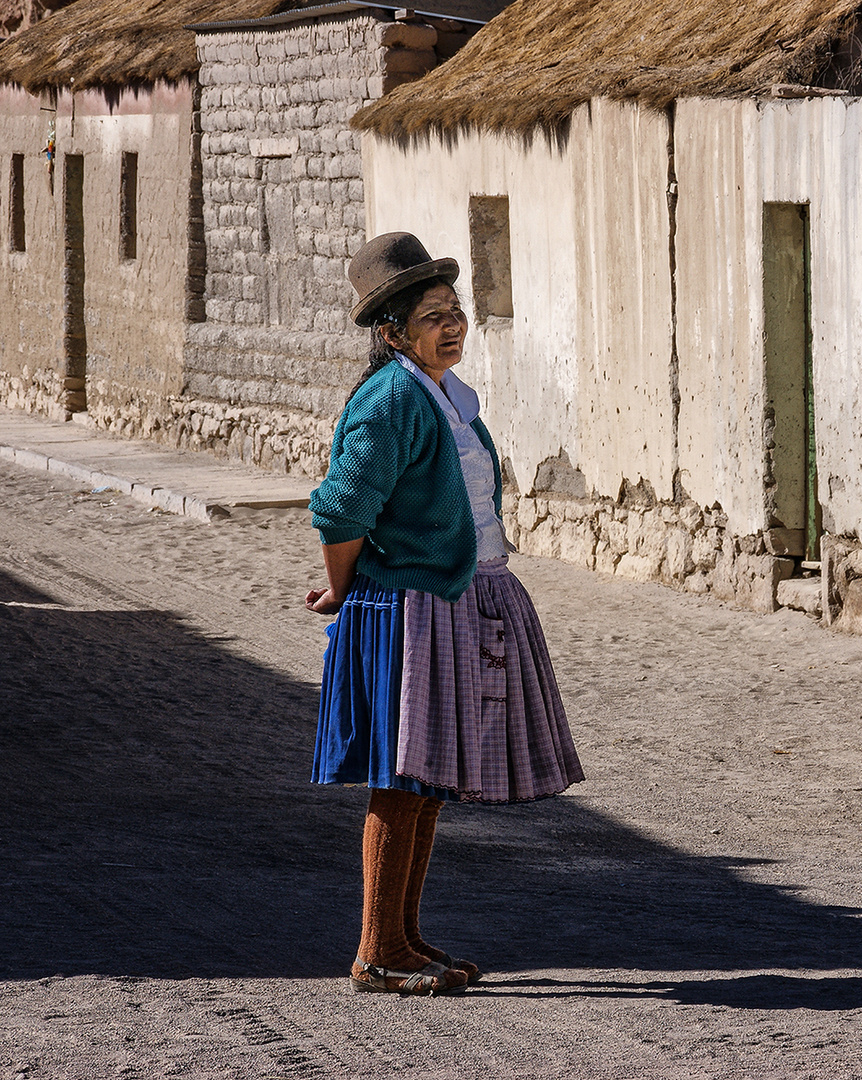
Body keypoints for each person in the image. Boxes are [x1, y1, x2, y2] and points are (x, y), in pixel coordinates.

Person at [305, 232, 584, 996]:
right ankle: (374, 953)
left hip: (448, 602)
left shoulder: (443, 397)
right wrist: (344, 587)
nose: (451, 325)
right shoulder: (394, 398)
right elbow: (338, 510)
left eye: (455, 311)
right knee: (401, 779)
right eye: (432, 317)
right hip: (406, 610)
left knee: (426, 782)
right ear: (391, 332)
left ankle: (401, 936)